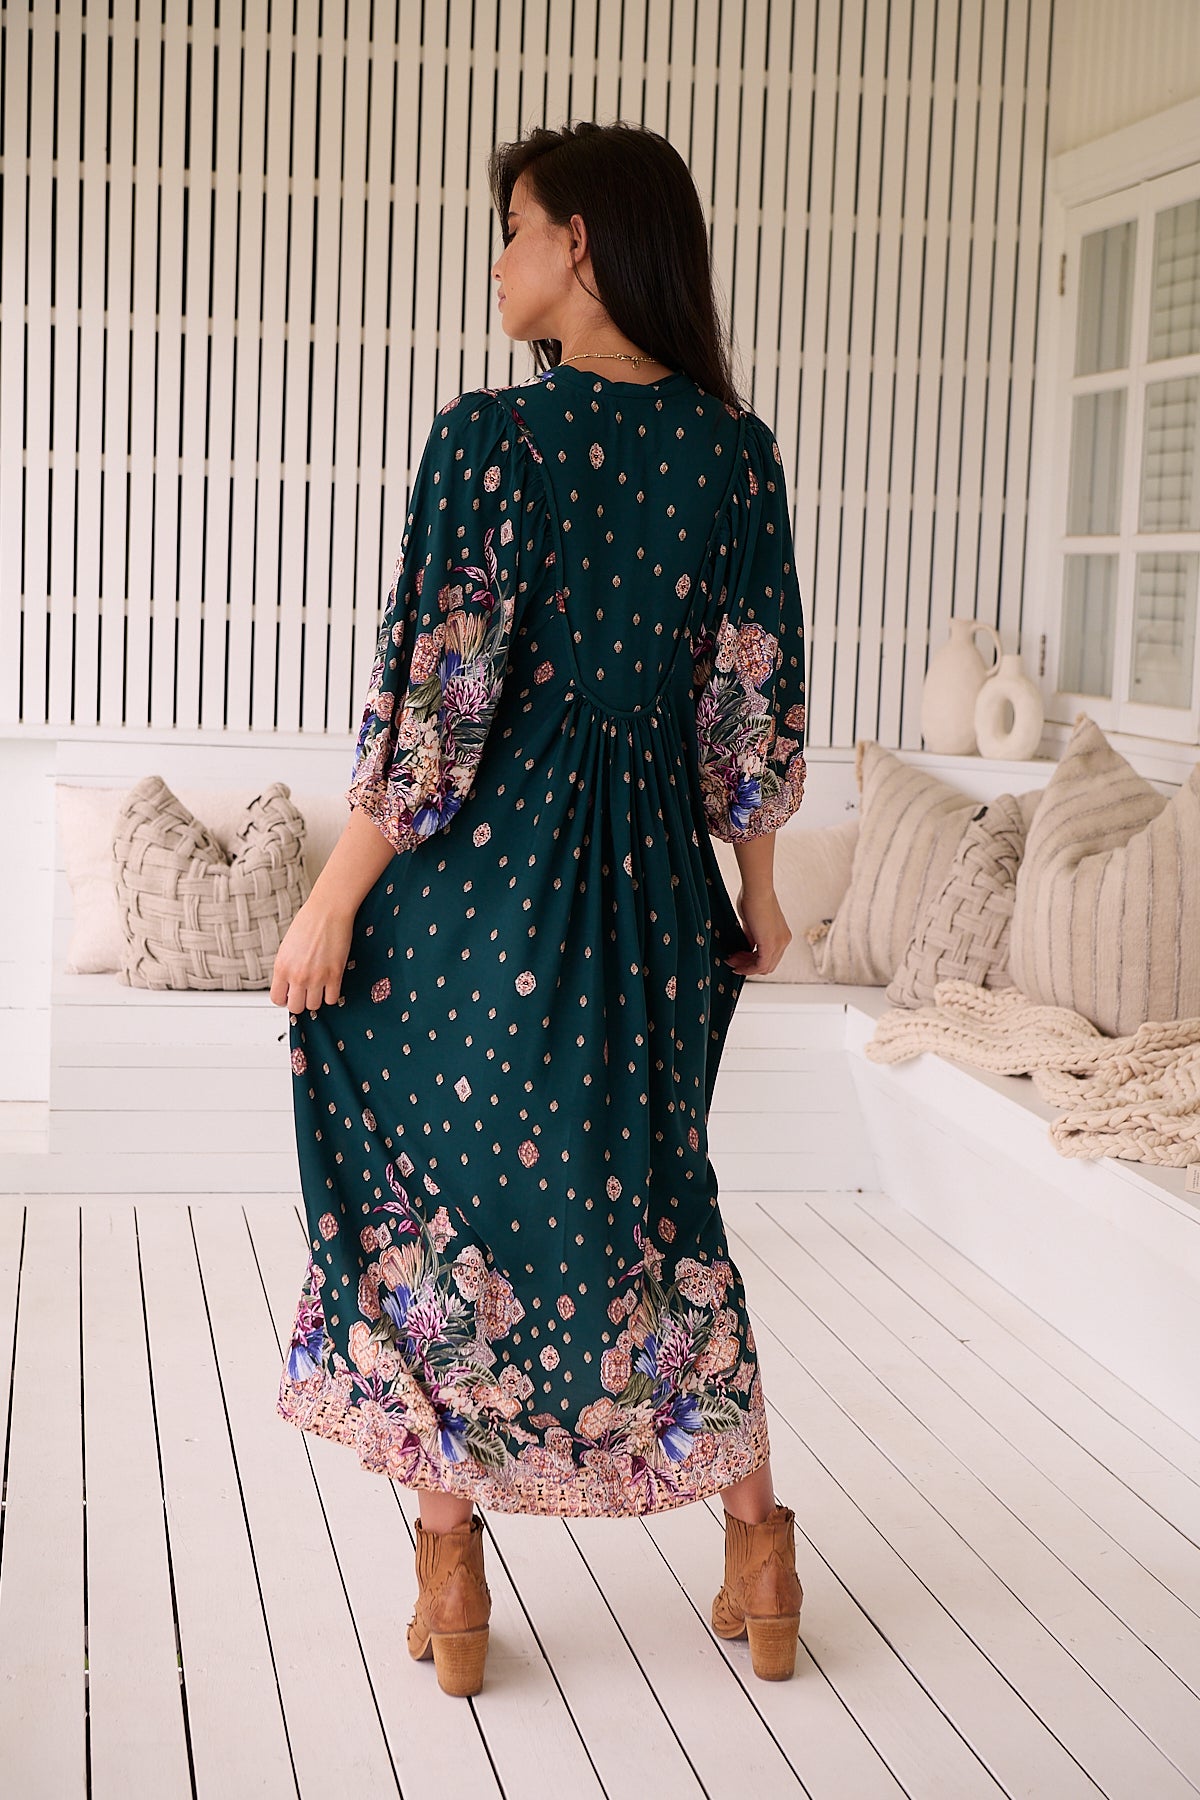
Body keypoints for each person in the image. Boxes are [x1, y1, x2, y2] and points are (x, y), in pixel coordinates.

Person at [271, 119, 809, 1697]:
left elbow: (432, 728)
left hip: (485, 896)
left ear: (580, 241)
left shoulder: (494, 440)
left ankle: (453, 1574)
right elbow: (750, 709)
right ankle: (760, 1547)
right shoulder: (735, 451)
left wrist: (328, 905)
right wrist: (756, 896)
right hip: (652, 894)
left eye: (512, 227)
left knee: (444, 1207)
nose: (497, 259)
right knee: (660, 1219)